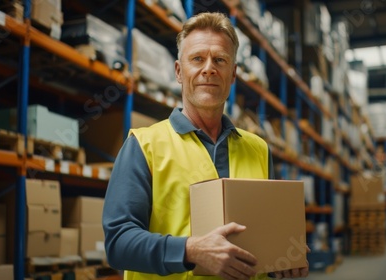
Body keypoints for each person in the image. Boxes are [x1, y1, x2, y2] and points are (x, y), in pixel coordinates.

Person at [102, 12, 309, 280]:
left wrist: (281, 260)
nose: (209, 68)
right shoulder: (144, 146)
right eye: (197, 58)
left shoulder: (258, 149)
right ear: (179, 71)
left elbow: (261, 238)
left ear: (233, 74)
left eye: (220, 60)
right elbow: (118, 243)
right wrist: (189, 250)